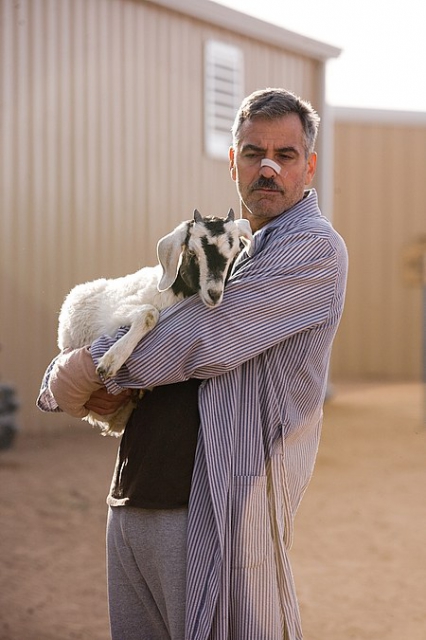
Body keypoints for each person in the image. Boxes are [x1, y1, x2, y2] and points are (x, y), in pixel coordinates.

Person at [37, 87, 348, 640]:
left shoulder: (311, 248)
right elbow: (144, 314)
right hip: (136, 496)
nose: (268, 168)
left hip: (213, 516)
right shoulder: (228, 249)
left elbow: (198, 337)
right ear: (233, 162)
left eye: (286, 154)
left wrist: (80, 370)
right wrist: (109, 387)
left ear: (310, 166)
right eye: (253, 153)